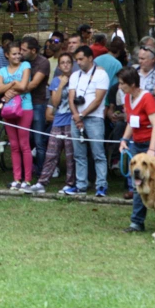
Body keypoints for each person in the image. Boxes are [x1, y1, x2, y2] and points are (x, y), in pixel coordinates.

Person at [117, 66, 155, 232]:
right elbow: (131, 122)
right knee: (137, 182)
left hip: (154, 143)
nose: (120, 86)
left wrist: (152, 151)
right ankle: (136, 222)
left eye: (122, 83)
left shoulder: (146, 98)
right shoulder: (127, 98)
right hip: (137, 143)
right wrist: (124, 139)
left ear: (132, 84)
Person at [24, 53, 76, 194]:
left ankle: (70, 183)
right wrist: (61, 85)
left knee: (71, 155)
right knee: (51, 154)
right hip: (58, 120)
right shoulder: (55, 81)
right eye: (62, 63)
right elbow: (55, 102)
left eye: (68, 62)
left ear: (72, 64)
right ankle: (42, 182)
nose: (65, 65)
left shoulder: (78, 79)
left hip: (72, 121)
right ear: (59, 66)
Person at [67, 45, 110, 196]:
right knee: (79, 154)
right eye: (76, 60)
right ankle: (81, 185)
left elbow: (98, 100)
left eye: (81, 59)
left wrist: (82, 114)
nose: (78, 62)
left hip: (94, 118)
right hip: (76, 118)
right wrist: (76, 116)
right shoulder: (74, 75)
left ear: (90, 58)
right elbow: (71, 97)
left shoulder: (101, 74)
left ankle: (101, 185)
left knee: (98, 153)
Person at [0, 41, 34, 190]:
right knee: (14, 146)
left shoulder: (26, 66)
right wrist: (13, 84)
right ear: (7, 55)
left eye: (19, 53)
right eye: (14, 54)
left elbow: (24, 86)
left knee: (24, 145)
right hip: (9, 110)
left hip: (25, 107)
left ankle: (28, 179)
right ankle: (16, 178)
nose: (18, 56)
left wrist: (8, 86)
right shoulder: (2, 71)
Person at [20, 36, 50, 177]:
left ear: (33, 50)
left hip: (38, 103)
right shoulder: (21, 62)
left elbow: (33, 84)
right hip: (23, 103)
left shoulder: (43, 62)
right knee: (25, 138)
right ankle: (26, 169)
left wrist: (13, 89)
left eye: (24, 50)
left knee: (38, 140)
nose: (21, 52)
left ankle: (41, 171)